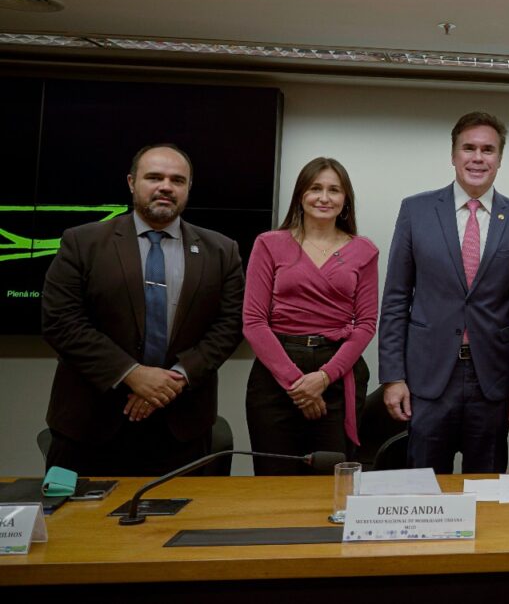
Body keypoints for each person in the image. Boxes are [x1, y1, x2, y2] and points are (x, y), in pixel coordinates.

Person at [42, 143, 244, 476]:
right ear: (132, 183)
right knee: (79, 526)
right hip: (91, 423)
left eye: (177, 180)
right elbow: (61, 322)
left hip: (182, 426)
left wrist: (175, 379)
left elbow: (230, 325)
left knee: (180, 525)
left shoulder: (221, 250)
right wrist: (133, 375)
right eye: (154, 177)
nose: (166, 186)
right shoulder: (83, 242)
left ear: (188, 189)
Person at [378, 111, 509, 473]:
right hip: (429, 376)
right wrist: (393, 376)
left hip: (492, 380)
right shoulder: (415, 211)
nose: (477, 157)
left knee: (486, 488)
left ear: (500, 159)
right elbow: (396, 298)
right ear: (453, 155)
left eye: (488, 150)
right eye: (468, 148)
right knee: (425, 488)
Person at [243, 158, 378, 475]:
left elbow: (367, 324)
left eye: (334, 190)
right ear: (301, 195)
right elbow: (253, 322)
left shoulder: (364, 250)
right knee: (273, 479)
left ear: (345, 200)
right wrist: (297, 385)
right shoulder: (269, 244)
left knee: (331, 482)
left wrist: (323, 378)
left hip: (336, 374)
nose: (324, 197)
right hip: (275, 378)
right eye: (315, 188)